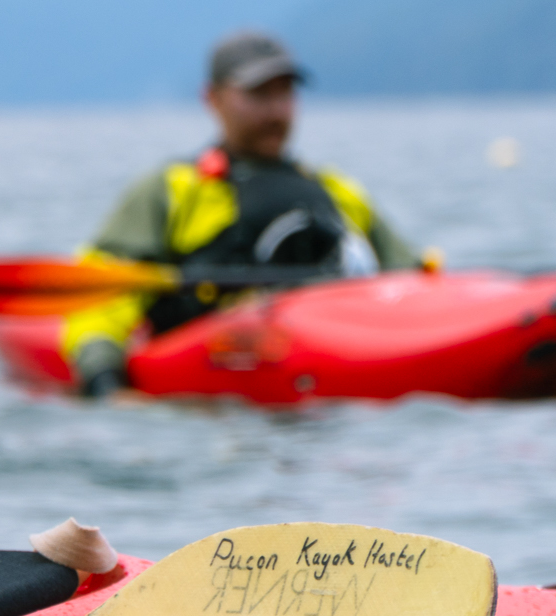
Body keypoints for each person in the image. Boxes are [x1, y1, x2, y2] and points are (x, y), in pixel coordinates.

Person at [63, 31, 419, 397]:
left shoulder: (337, 191)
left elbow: (412, 283)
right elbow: (103, 292)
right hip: (214, 392)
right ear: (213, 99)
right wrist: (104, 379)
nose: (276, 111)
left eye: (284, 93)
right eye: (259, 95)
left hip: (335, 373)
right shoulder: (172, 191)